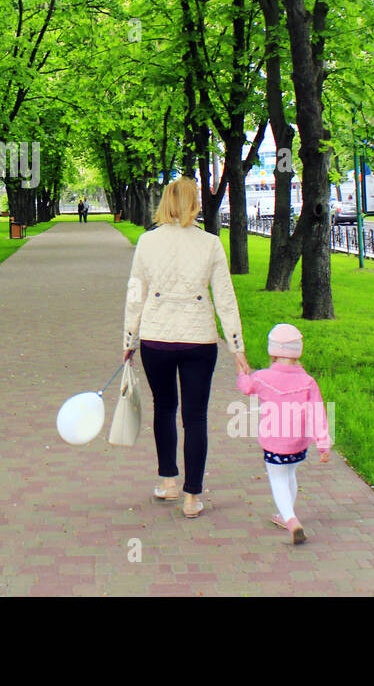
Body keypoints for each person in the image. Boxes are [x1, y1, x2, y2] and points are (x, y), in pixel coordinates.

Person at [122, 177, 249, 519]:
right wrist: (237, 347)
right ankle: (193, 496)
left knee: (163, 407)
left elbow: (136, 294)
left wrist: (129, 340)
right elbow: (225, 297)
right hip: (199, 339)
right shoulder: (210, 244)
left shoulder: (147, 242)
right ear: (195, 203)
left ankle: (168, 481)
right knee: (195, 416)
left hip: (157, 338)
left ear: (165, 202)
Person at [236, 323, 332, 544]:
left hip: (274, 441)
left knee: (277, 478)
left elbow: (246, 387)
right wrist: (323, 444)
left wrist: (242, 373)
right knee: (290, 474)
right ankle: (284, 514)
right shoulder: (308, 382)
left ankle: (290, 520)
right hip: (299, 443)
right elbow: (318, 413)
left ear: (272, 351)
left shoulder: (262, 377)